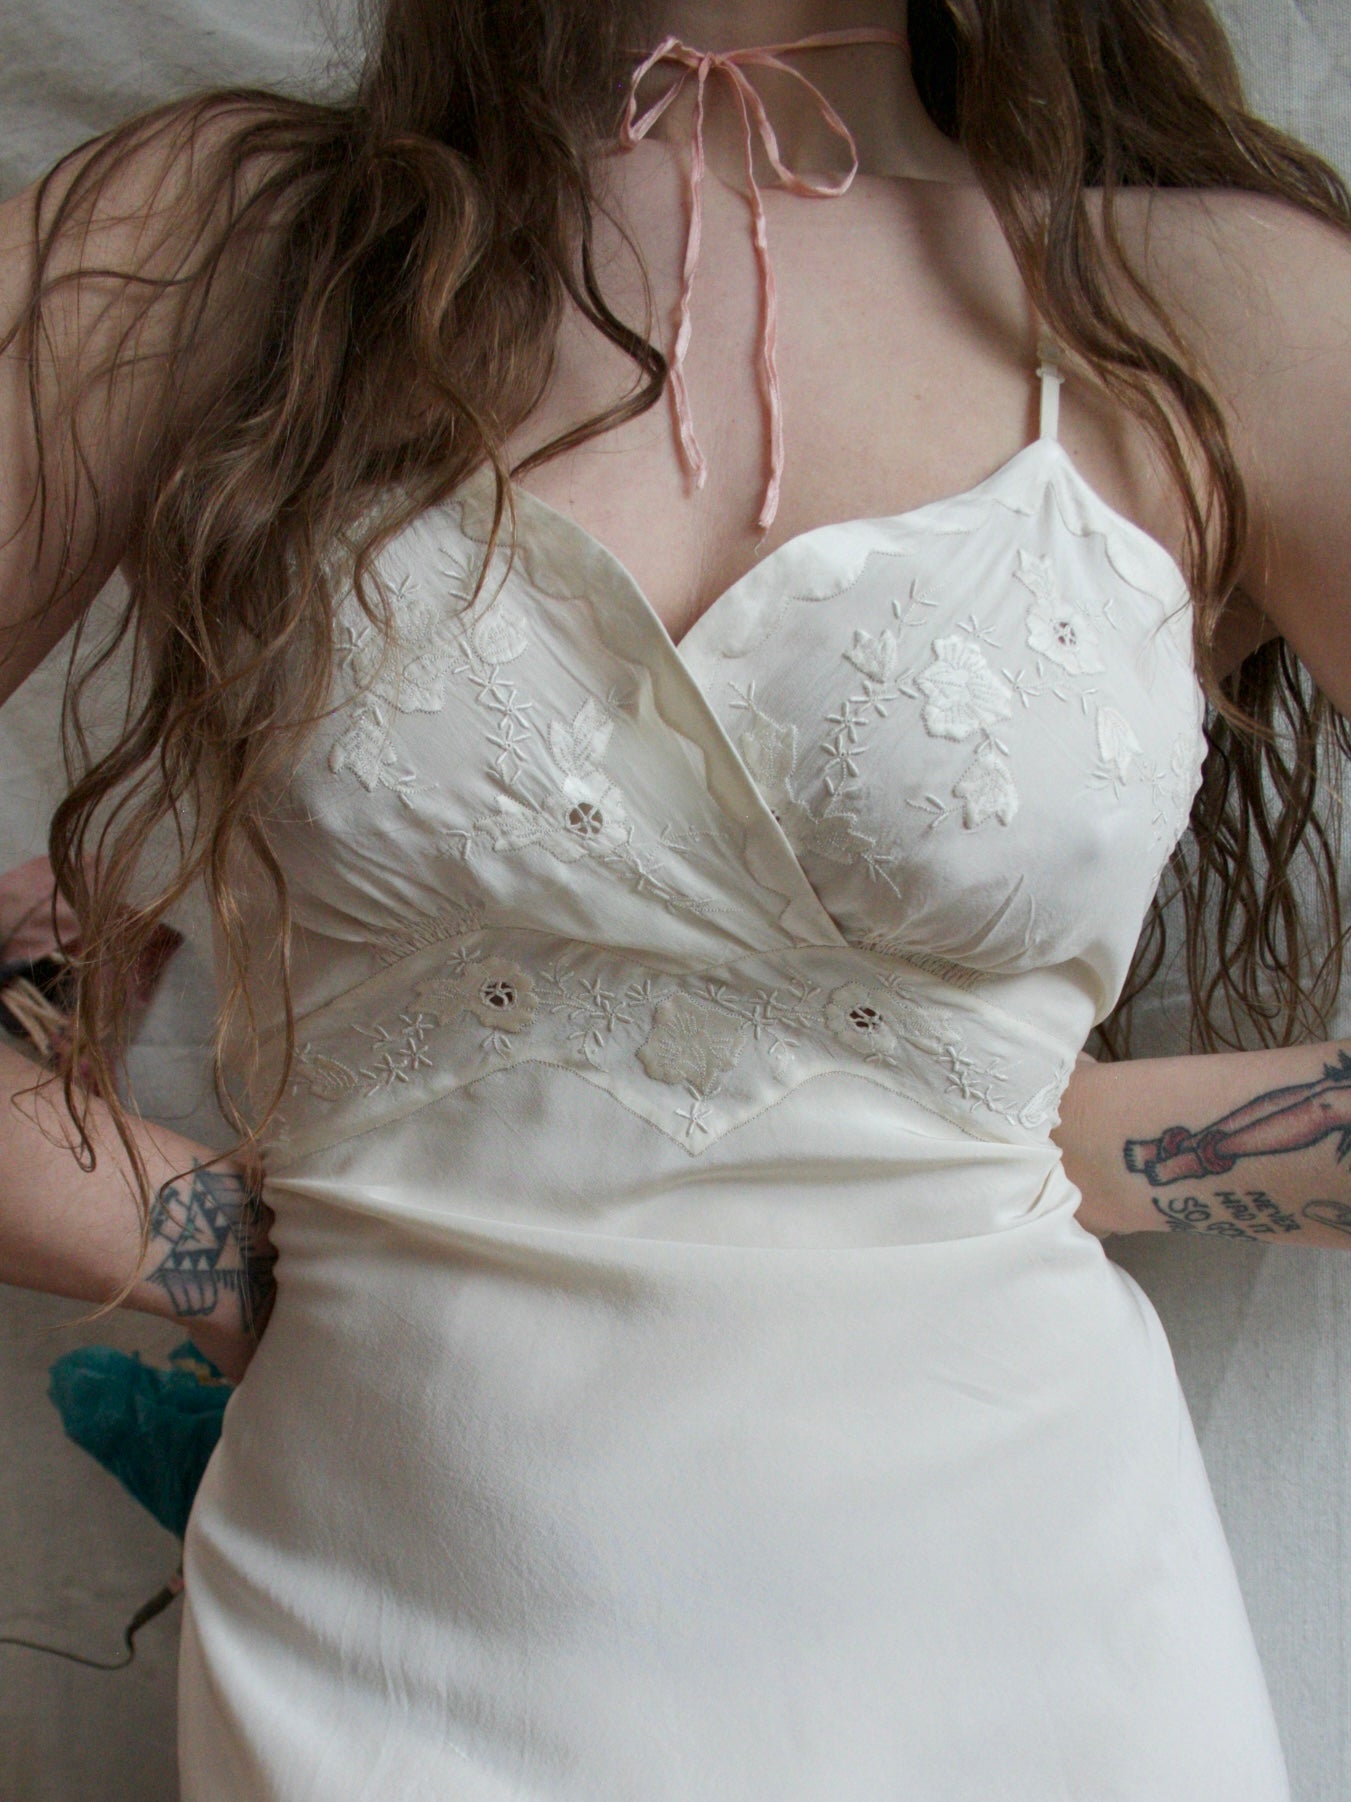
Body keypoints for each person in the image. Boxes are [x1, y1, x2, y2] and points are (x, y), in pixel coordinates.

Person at [2, 0, 1350, 1794]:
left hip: (1048, 1661)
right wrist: (181, 1228)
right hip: (387, 1681)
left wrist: (1044, 1138)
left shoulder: (1227, 309)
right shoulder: (235, 246)